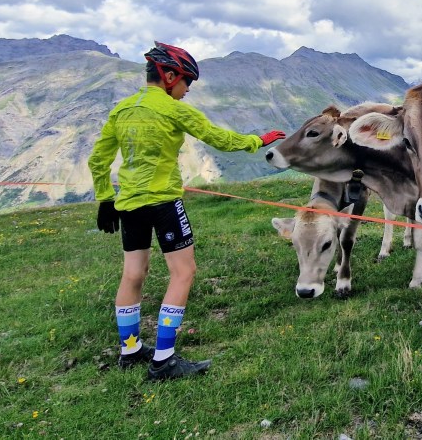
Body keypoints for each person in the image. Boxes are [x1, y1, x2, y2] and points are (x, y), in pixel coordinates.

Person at [88, 41, 286, 381]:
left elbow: (98, 160)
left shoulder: (121, 110)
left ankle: (131, 350)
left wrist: (106, 198)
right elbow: (220, 139)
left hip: (130, 204)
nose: (187, 91)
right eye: (186, 83)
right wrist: (258, 141)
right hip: (164, 202)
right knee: (183, 272)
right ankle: (164, 360)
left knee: (133, 274)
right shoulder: (172, 110)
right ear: (168, 76)